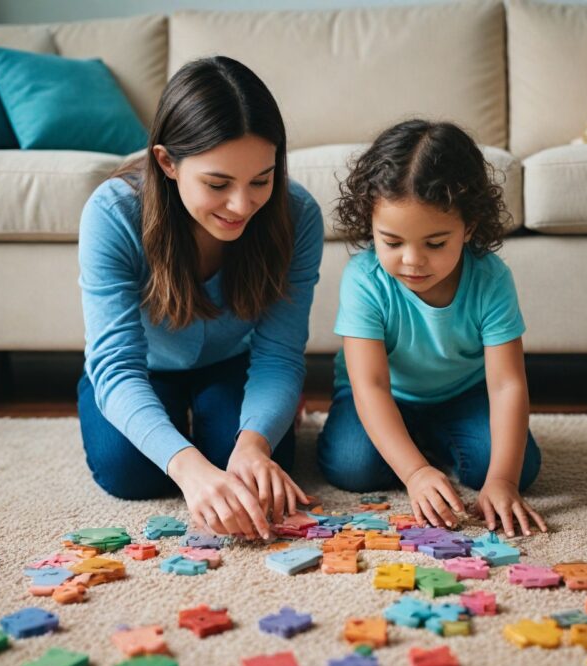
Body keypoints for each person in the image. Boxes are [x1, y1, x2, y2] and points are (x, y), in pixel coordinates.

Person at [78, 56, 323, 540]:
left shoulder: (296, 215)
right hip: (140, 367)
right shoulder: (112, 212)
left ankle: (240, 428)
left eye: (261, 180)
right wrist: (189, 469)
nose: (241, 205)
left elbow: (278, 355)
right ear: (167, 162)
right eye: (218, 184)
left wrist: (254, 444)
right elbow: (117, 365)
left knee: (257, 467)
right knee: (131, 473)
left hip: (233, 362)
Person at [317, 119, 546, 537]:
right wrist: (415, 472)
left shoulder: (490, 279)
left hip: (463, 393)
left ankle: (433, 438)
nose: (412, 261)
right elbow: (370, 386)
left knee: (520, 467)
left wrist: (503, 481)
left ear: (469, 227)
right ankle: (421, 448)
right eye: (392, 242)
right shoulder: (364, 279)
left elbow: (507, 385)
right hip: (381, 394)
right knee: (350, 466)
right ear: (370, 223)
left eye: (435, 244)